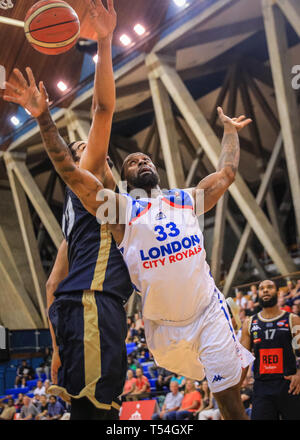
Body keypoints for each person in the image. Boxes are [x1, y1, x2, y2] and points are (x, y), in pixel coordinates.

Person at [5, 41, 255, 420]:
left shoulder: (183, 199)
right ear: (120, 178)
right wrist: (44, 119)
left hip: (206, 311)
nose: (141, 159)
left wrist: (230, 132)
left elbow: (227, 174)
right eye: (133, 161)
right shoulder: (119, 210)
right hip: (161, 329)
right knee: (100, 407)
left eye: (146, 158)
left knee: (228, 395)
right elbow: (73, 173)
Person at [3, 0, 133, 420]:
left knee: (87, 413)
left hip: (80, 314)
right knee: (99, 415)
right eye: (81, 150)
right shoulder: (77, 204)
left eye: (91, 150)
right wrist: (106, 41)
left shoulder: (94, 194)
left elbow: (51, 287)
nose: (88, 151)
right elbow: (50, 288)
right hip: (90, 309)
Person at [240, 279, 300, 420]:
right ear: (258, 294)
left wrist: (299, 374)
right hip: (262, 387)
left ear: (278, 292)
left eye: (270, 287)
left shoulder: (292, 319)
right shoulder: (249, 323)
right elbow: (243, 359)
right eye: (262, 288)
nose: (265, 290)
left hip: (289, 385)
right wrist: (236, 387)